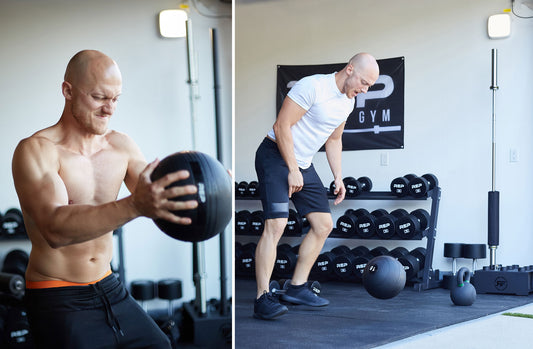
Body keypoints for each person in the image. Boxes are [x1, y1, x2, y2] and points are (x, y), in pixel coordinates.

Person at [11, 50, 197, 348]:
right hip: (57, 293)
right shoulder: (37, 150)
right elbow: (55, 229)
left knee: (160, 345)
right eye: (99, 98)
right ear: (68, 91)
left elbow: (154, 195)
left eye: (116, 99)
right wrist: (134, 205)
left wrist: (201, 185)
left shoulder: (120, 145)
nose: (109, 109)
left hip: (109, 285)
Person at [253, 52, 380, 320]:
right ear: (349, 70)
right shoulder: (312, 87)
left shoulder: (348, 103)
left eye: (369, 86)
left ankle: (297, 287)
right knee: (276, 224)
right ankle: (262, 297)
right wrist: (292, 169)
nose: (364, 90)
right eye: (364, 82)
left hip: (303, 163)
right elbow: (281, 126)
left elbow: (334, 140)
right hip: (275, 155)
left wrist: (338, 177)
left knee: (324, 225)